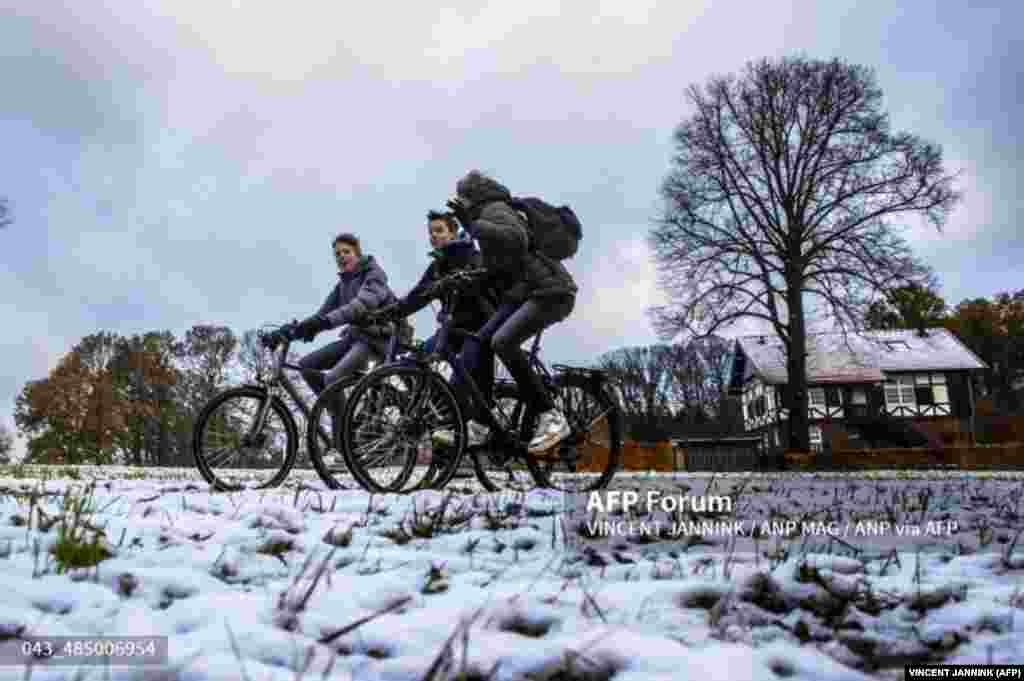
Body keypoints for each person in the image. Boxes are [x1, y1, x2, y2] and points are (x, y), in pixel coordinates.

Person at [444, 170, 577, 453]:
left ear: (472, 196)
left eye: (462, 198)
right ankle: (481, 424)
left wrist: (474, 225)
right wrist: (474, 276)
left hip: (550, 291)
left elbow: (516, 238)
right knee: (480, 342)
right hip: (526, 292)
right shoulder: (487, 213)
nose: (460, 205)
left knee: (503, 341)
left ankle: (551, 417)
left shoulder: (495, 209)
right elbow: (505, 264)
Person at [386, 210, 498, 445]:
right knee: (411, 364)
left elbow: (481, 278)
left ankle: (472, 428)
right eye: (430, 232)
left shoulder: (472, 255)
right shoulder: (438, 265)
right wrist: (386, 313)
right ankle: (447, 415)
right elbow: (417, 296)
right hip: (452, 331)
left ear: (454, 232)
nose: (434, 236)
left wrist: (463, 279)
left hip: (478, 329)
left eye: (439, 231)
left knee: (463, 374)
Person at [285, 232, 405, 421]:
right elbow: (321, 316)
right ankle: (338, 412)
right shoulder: (342, 286)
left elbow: (359, 307)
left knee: (332, 379)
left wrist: (323, 323)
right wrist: (290, 332)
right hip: (356, 338)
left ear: (357, 254)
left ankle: (342, 436)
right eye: (337, 254)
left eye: (346, 252)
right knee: (307, 366)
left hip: (379, 341)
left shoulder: (374, 276)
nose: (341, 257)